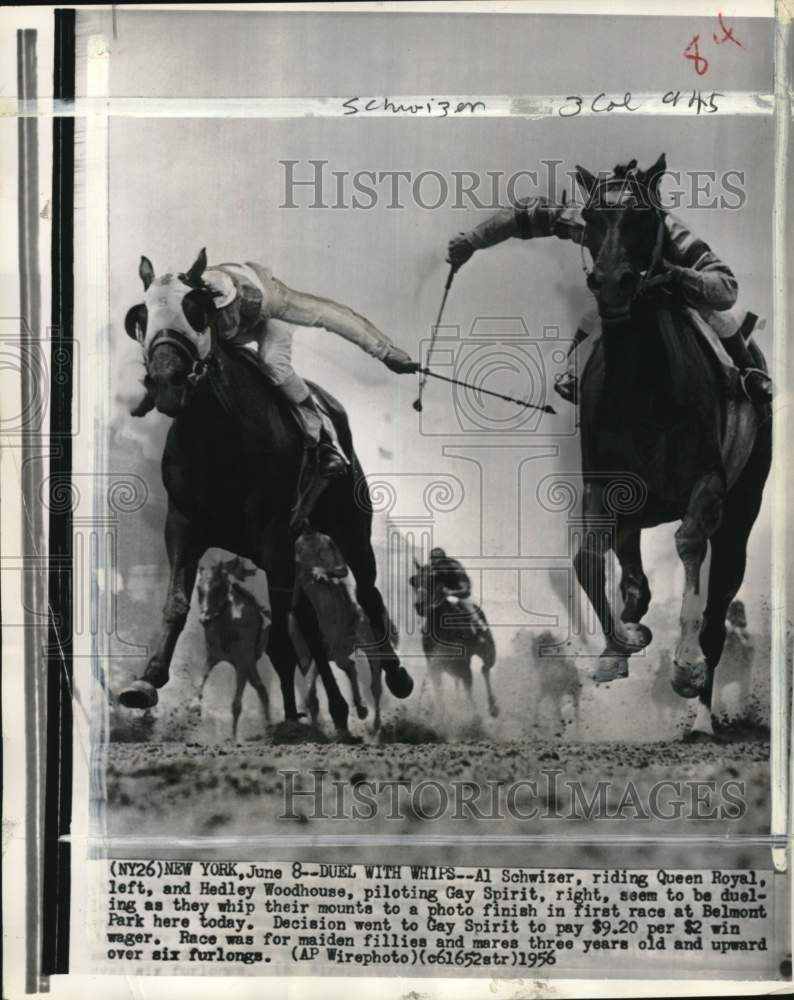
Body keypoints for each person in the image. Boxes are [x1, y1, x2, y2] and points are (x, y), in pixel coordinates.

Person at [446, 160, 772, 405]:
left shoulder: (672, 234)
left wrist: (680, 275)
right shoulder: (595, 222)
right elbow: (523, 216)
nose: (614, 231)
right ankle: (574, 374)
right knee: (593, 319)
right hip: (622, 299)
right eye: (604, 220)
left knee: (717, 316)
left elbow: (726, 288)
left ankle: (748, 371)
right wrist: (472, 240)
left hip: (671, 296)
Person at [131, 253, 419, 476]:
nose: (223, 320)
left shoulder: (272, 300)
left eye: (226, 312)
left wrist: (386, 352)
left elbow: (330, 315)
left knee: (271, 361)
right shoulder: (189, 305)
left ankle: (322, 439)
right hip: (216, 329)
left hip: (266, 323)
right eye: (215, 315)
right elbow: (161, 337)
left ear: (237, 302)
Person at [426, 547, 488, 639]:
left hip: (460, 594)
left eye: (435, 559)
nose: (433, 562)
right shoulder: (431, 569)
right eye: (431, 559)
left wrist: (452, 592)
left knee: (470, 611)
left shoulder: (455, 567)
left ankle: (481, 633)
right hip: (442, 595)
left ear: (443, 560)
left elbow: (465, 588)